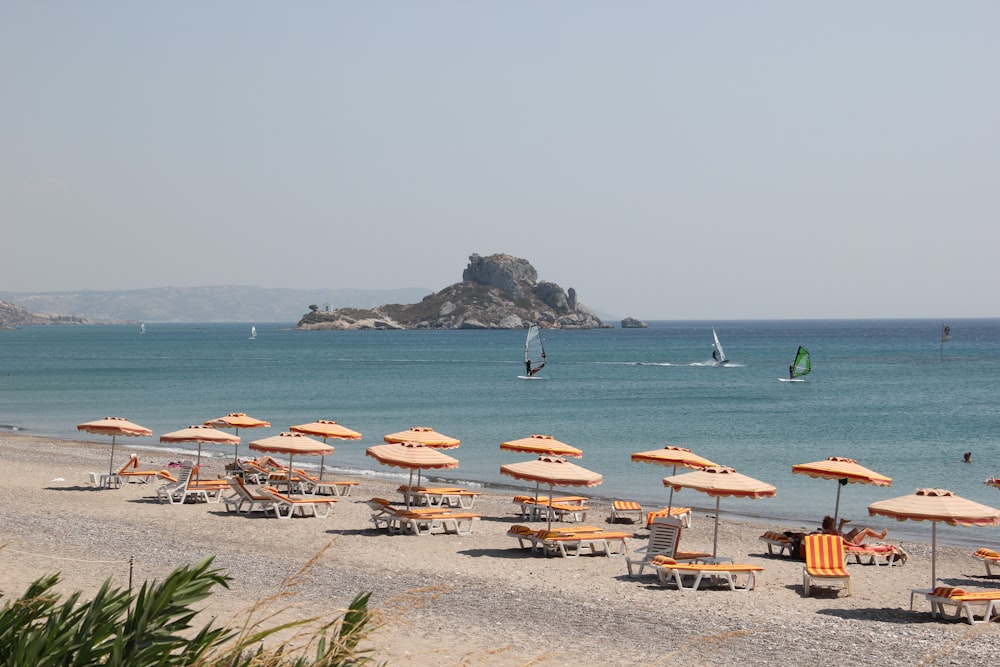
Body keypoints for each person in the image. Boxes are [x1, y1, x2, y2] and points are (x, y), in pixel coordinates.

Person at [821, 515, 887, 545]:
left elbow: (839, 536)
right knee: (866, 530)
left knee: (856, 529)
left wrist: (841, 525)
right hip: (852, 541)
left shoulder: (825, 531)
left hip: (848, 538)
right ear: (830, 525)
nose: (833, 525)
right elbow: (843, 540)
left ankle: (842, 522)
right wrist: (857, 546)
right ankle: (880, 536)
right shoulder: (832, 531)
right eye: (833, 523)